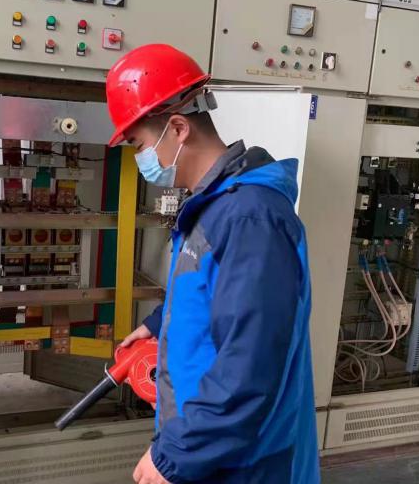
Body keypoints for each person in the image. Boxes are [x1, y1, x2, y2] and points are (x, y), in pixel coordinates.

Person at [106, 44, 320, 484]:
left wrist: (174, 457)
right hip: (212, 453)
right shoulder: (217, 207)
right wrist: (160, 322)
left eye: (139, 145)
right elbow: (219, 293)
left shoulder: (249, 217)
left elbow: (249, 363)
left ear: (178, 128)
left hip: (245, 464)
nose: (141, 159)